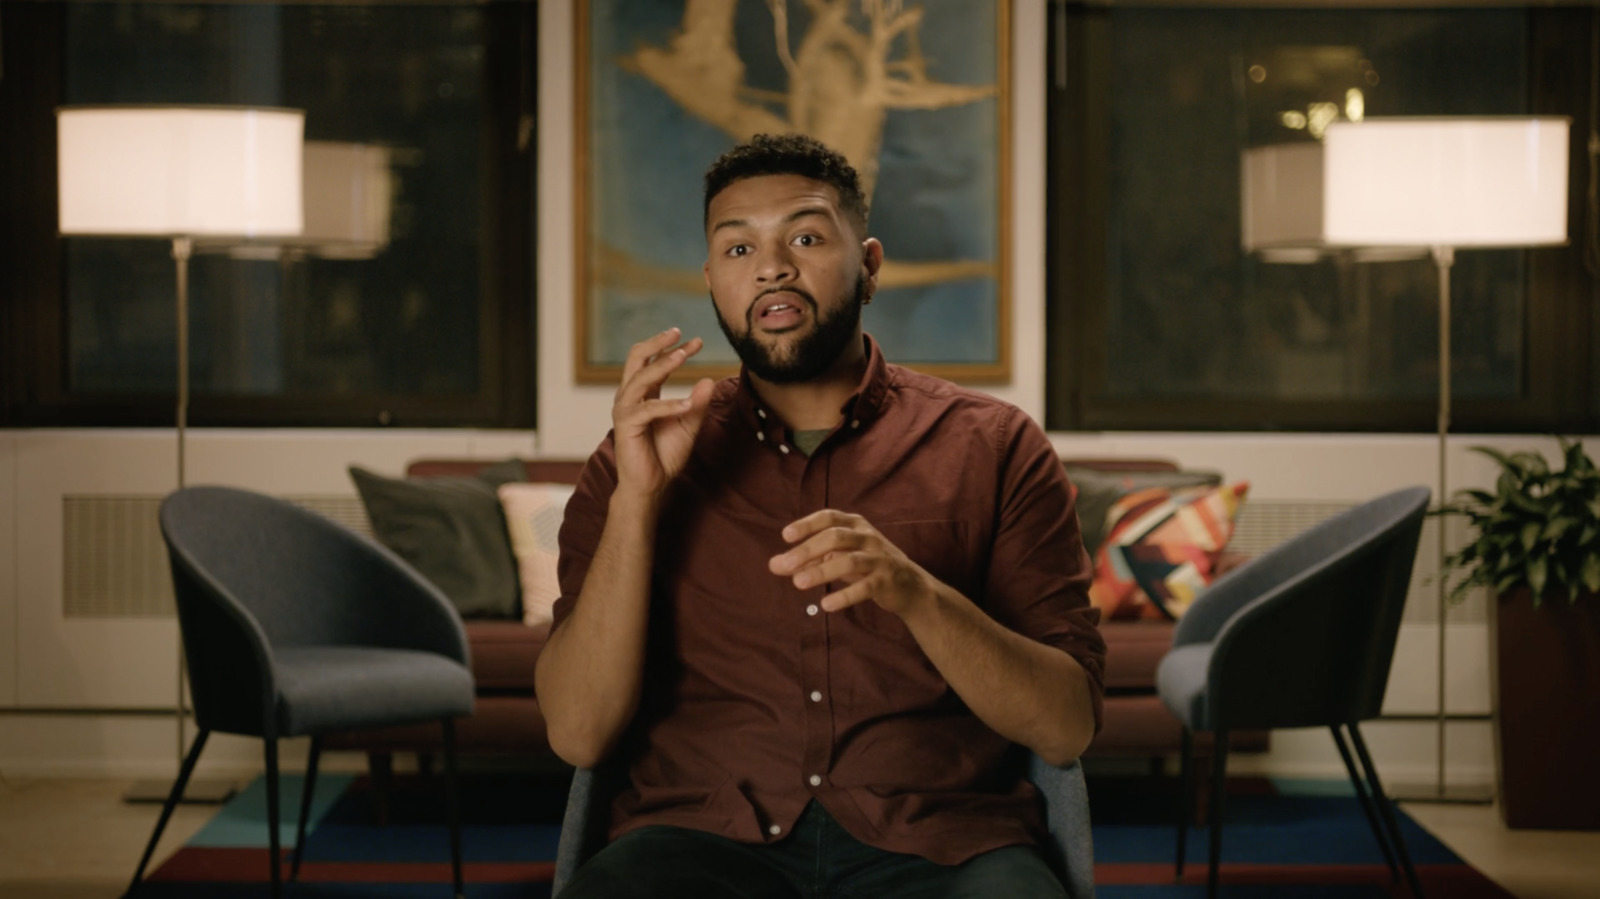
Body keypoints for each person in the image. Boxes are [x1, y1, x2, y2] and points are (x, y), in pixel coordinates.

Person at [535, 133, 1106, 898]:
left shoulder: (996, 446)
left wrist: (916, 592)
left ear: (869, 266)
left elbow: (1067, 724)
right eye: (737, 249)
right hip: (696, 842)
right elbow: (578, 732)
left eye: (805, 237)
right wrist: (638, 502)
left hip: (943, 842)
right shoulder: (636, 460)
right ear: (711, 279)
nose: (771, 266)